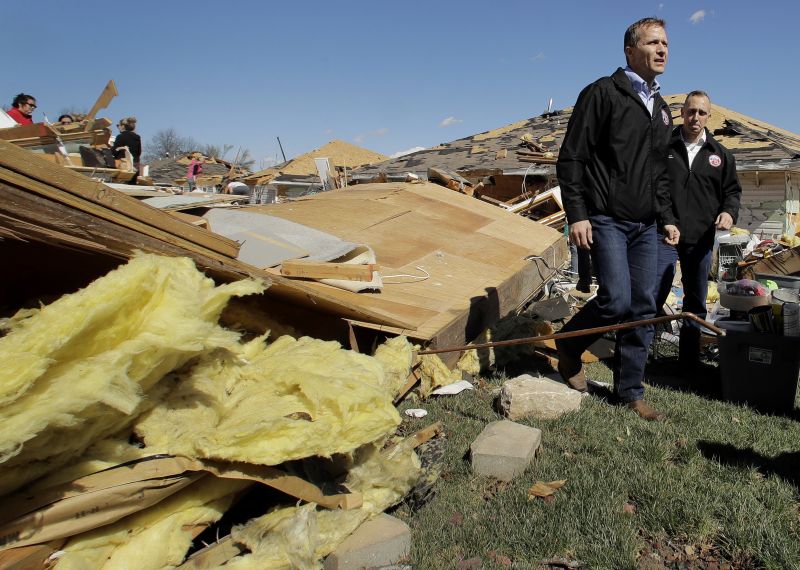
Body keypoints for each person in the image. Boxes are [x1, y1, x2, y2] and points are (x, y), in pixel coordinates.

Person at [555, 17, 679, 421]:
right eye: (653, 43)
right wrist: (578, 214)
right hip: (606, 217)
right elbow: (572, 157)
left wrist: (667, 217)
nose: (662, 49)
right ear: (629, 50)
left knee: (644, 306)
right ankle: (569, 344)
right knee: (616, 300)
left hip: (645, 226)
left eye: (665, 43)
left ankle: (630, 391)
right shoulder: (603, 93)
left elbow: (660, 174)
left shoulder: (662, 110)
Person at [654, 91, 741, 371]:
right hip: (664, 234)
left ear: (709, 116)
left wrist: (728, 212)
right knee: (654, 293)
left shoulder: (720, 154)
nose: (695, 117)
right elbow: (654, 187)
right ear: (682, 112)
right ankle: (641, 357)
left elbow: (732, 192)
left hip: (700, 238)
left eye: (702, 112)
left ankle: (688, 364)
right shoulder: (663, 147)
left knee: (695, 301)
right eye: (691, 111)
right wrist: (666, 220)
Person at [112, 117, 142, 184]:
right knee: (132, 187)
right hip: (134, 167)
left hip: (124, 168)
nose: (118, 127)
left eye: (118, 125)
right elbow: (139, 152)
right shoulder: (137, 137)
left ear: (123, 126)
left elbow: (114, 152)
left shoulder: (120, 136)